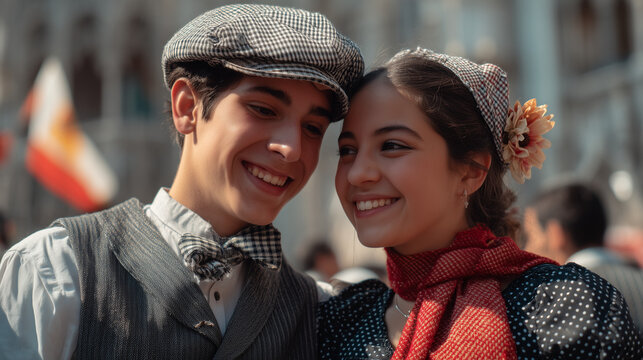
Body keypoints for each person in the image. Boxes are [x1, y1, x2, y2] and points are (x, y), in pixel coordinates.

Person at [0, 4, 364, 359]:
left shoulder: (320, 313)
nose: (291, 148)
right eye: (263, 110)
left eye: (313, 128)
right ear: (187, 108)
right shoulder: (55, 274)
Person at [317, 48, 642, 359]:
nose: (358, 173)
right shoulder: (342, 321)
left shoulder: (561, 306)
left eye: (391, 145)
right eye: (347, 150)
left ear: (472, 171)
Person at [524, 182, 643, 335]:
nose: (527, 248)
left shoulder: (561, 296)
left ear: (555, 234)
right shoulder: (637, 279)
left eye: (531, 236)